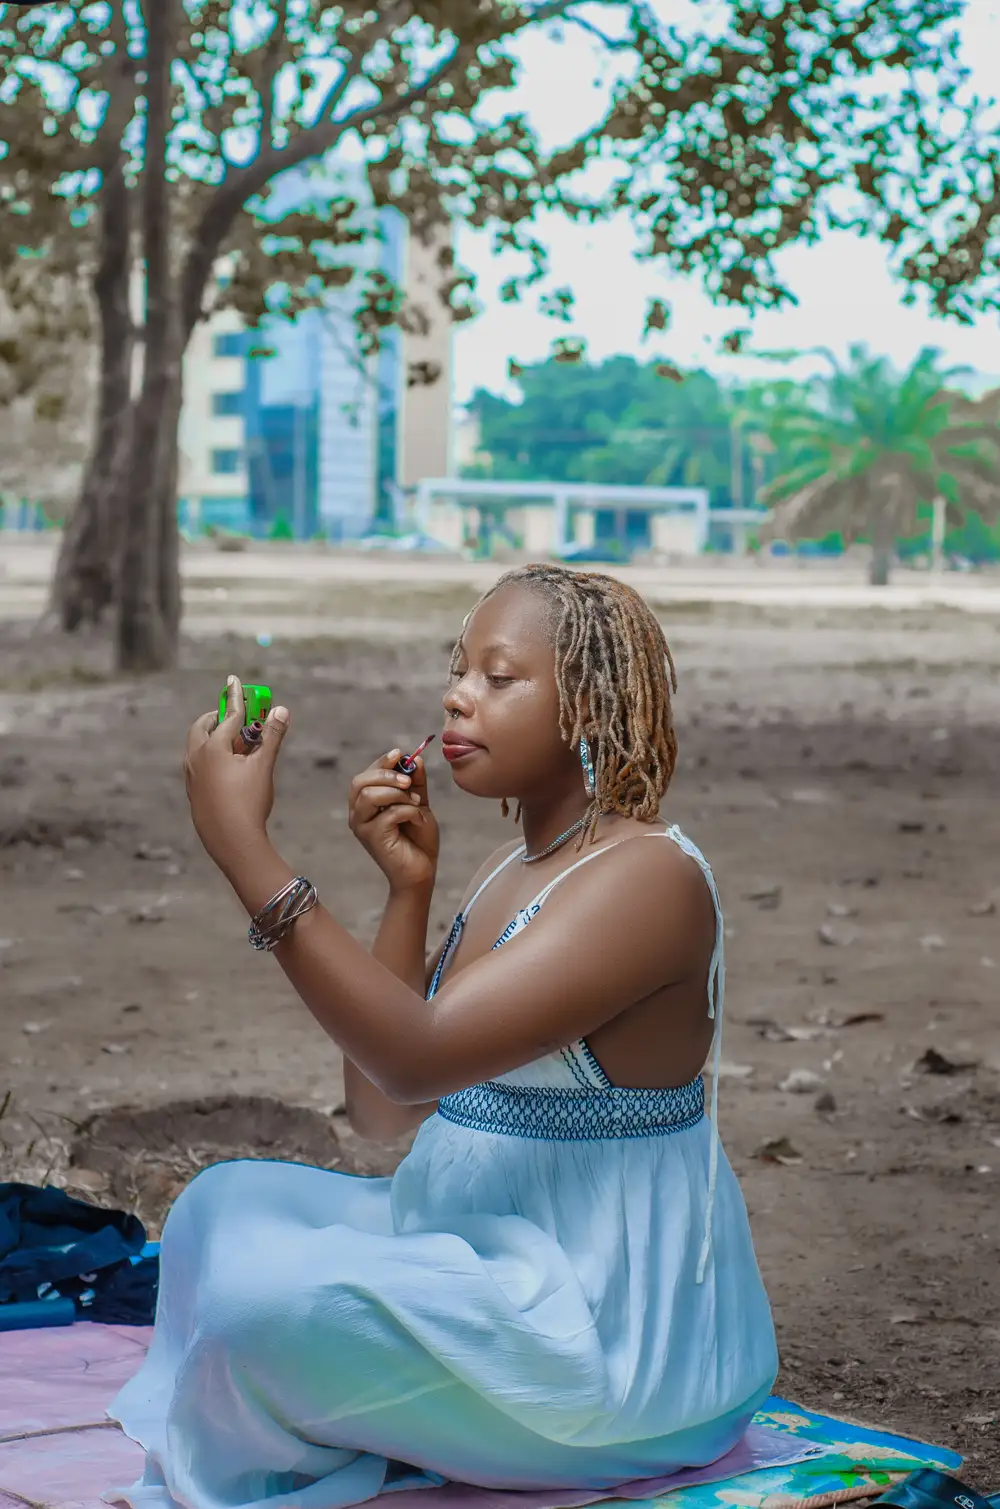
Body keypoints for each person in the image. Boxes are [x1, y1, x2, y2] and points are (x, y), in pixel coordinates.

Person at [106, 564, 778, 1509]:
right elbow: (385, 1106)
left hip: (607, 1349)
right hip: (481, 1250)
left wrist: (244, 849)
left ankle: (341, 1406)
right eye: (460, 669)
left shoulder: (648, 880)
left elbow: (412, 1053)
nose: (457, 694)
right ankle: (363, 1399)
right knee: (220, 1205)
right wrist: (407, 891)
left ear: (587, 704)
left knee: (261, 1314)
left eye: (500, 677)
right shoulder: (517, 864)